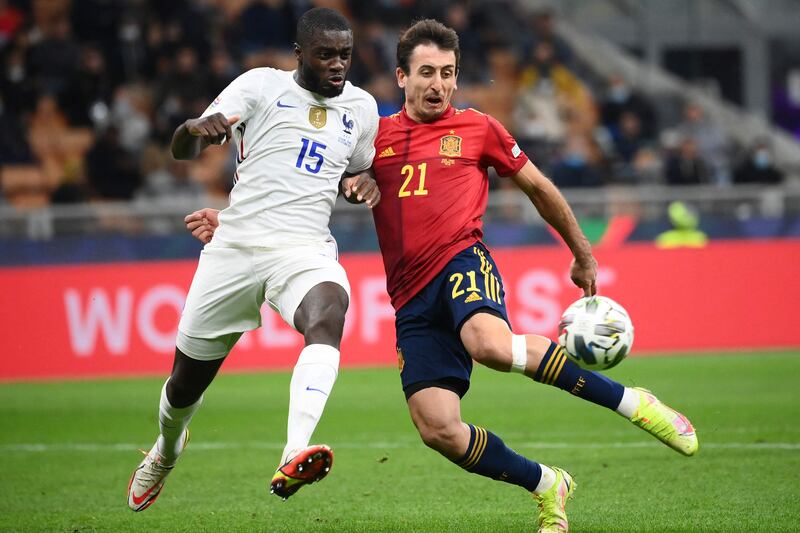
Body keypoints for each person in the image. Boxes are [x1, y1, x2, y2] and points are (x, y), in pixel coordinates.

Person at [188, 19, 699, 533]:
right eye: (427, 72)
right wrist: (231, 224)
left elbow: (538, 186)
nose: (438, 84)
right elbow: (298, 178)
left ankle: (635, 403)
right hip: (410, 297)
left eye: (448, 73)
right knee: (438, 429)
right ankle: (547, 485)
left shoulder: (479, 128)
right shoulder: (371, 136)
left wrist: (582, 253)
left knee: (490, 344)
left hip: (461, 261)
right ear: (401, 78)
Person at [127, 7, 381, 512]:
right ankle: (167, 447)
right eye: (325, 54)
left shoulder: (364, 109)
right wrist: (194, 128)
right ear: (299, 55)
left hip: (304, 248)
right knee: (184, 386)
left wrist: (362, 184)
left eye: (344, 55)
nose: (337, 65)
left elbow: (360, 174)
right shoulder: (262, 86)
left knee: (328, 315)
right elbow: (182, 150)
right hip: (236, 247)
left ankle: (295, 451)